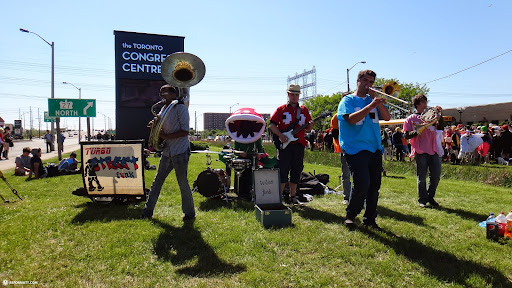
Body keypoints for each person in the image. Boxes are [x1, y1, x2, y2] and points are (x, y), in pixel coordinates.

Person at [337, 69, 390, 229]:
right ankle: (351, 215)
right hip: (355, 148)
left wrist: (378, 103)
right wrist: (371, 105)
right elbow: (351, 120)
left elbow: (387, 118)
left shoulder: (373, 100)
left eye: (371, 82)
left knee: (375, 185)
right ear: (358, 81)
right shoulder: (348, 101)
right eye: (366, 81)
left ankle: (370, 219)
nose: (369, 85)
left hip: (374, 147)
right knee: (362, 183)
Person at [142, 85, 195, 221]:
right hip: (167, 151)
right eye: (160, 93)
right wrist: (153, 126)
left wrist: (166, 136)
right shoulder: (164, 109)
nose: (161, 96)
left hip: (180, 151)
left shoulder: (180, 108)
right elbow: (159, 125)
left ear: (173, 94)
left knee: (182, 182)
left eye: (164, 93)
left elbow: (185, 131)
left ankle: (189, 214)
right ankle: (148, 211)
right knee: (157, 181)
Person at [269, 84, 313, 205]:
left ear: (299, 96)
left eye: (296, 95)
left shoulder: (304, 110)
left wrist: (310, 126)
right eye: (292, 94)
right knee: (283, 170)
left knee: (296, 170)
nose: (294, 97)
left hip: (299, 144)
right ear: (288, 95)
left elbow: (309, 128)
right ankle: (279, 198)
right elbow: (272, 125)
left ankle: (292, 196)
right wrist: (280, 135)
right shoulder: (281, 109)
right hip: (285, 145)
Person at [403, 94, 445, 208]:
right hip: (420, 150)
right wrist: (418, 130)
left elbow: (441, 127)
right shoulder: (411, 119)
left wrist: (440, 115)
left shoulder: (431, 115)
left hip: (434, 149)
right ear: (417, 104)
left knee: (436, 175)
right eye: (423, 102)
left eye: (426, 101)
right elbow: (406, 135)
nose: (426, 104)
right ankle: (422, 199)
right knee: (421, 177)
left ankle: (430, 197)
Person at [331, 113, 351, 204]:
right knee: (346, 174)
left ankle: (359, 197)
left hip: (359, 148)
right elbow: (335, 134)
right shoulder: (337, 117)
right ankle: (347, 197)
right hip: (345, 150)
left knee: (359, 175)